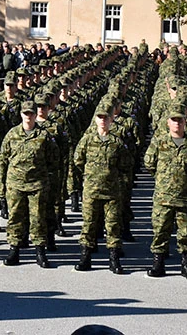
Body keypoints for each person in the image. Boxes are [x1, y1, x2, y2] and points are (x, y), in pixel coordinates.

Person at [143, 105, 187, 280]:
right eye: (174, 120)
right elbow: (150, 164)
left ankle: (186, 265)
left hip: (186, 198)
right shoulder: (159, 143)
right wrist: (163, 180)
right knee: (160, 231)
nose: (177, 123)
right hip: (163, 197)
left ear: (185, 123)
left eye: (180, 120)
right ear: (168, 122)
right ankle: (158, 264)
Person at [73, 101, 133, 274]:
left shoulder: (117, 143)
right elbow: (78, 159)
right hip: (92, 190)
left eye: (106, 117)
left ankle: (113, 259)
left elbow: (126, 165)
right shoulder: (87, 140)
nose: (102, 121)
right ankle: (85, 257)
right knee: (89, 224)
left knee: (113, 225)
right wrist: (91, 175)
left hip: (112, 191)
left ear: (111, 119)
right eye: (100, 117)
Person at [0, 99, 59, 268]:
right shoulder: (12, 134)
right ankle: (14, 250)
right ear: (21, 114)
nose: (29, 116)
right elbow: (3, 158)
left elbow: (54, 159)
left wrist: (46, 178)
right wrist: (2, 183)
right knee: (15, 217)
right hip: (15, 184)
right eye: (26, 113)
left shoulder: (44, 136)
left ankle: (40, 251)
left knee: (38, 218)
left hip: (37, 185)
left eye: (31, 113)